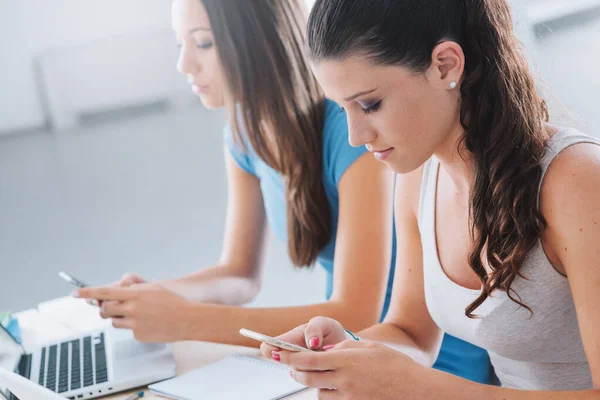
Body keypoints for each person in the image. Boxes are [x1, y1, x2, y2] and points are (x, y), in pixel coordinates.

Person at [260, 0, 600, 397]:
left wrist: (423, 389)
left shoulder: (576, 182)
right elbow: (411, 332)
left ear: (445, 65)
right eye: (343, 108)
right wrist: (351, 352)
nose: (355, 136)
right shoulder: (419, 173)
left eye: (370, 104)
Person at [73, 0, 396, 350]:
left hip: (402, 351)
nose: (184, 64)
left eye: (204, 43)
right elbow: (239, 273)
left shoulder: (352, 130)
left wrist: (185, 319)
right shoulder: (244, 132)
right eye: (180, 44)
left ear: (259, 39)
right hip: (344, 352)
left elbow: (356, 313)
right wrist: (157, 297)